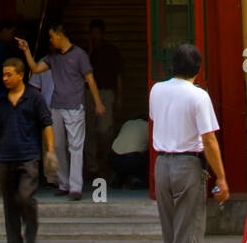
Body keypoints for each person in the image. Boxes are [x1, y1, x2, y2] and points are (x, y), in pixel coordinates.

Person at [149, 43, 229, 243]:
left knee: (172, 234)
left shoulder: (156, 90)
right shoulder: (198, 96)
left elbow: (155, 120)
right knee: (189, 235)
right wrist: (221, 177)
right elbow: (209, 139)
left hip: (162, 164)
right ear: (198, 69)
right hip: (187, 165)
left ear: (173, 65)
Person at [15, 24, 105, 199]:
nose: (50, 40)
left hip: (74, 106)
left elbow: (90, 79)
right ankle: (64, 183)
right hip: (56, 106)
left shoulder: (80, 54)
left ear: (60, 35)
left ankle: (76, 187)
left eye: (52, 37)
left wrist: (98, 103)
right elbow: (34, 69)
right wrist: (26, 50)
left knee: (76, 146)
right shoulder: (52, 58)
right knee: (57, 146)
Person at [0, 58, 57, 243]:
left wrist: (50, 151)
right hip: (6, 158)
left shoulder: (34, 98)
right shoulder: (2, 101)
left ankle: (31, 232)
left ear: (21, 75)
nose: (5, 78)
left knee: (25, 197)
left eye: (9, 74)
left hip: (29, 157)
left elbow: (47, 123)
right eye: (3, 75)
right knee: (9, 204)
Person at [85, 18, 122, 179]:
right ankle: (92, 167)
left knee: (105, 130)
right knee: (89, 130)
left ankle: (106, 162)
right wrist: (90, 49)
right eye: (92, 33)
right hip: (88, 93)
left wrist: (120, 96)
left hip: (107, 92)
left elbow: (119, 74)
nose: (95, 36)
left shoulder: (112, 50)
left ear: (103, 33)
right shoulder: (87, 52)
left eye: (97, 33)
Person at [109, 117, 149, 189]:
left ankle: (120, 177)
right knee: (148, 154)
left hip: (113, 157)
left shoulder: (127, 123)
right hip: (133, 160)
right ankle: (137, 180)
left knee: (126, 156)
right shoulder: (148, 125)